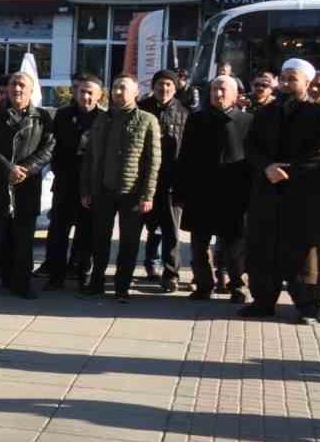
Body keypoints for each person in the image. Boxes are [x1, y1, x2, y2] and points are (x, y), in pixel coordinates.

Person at [240, 58, 320, 323]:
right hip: (266, 192)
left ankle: (307, 307)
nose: (288, 84)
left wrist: (289, 171)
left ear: (307, 83)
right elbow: (251, 146)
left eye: (294, 79)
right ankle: (263, 301)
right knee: (262, 248)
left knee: (303, 254)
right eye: (285, 78)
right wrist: (267, 167)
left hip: (303, 195)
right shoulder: (266, 113)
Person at [80, 76, 161, 302]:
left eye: (122, 88)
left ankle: (122, 286)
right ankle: (96, 282)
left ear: (135, 92)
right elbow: (90, 157)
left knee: (129, 242)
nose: (117, 92)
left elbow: (153, 162)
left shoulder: (147, 120)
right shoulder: (101, 119)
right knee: (99, 239)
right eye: (115, 87)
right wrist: (86, 189)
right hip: (103, 189)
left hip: (132, 193)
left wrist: (148, 195)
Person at [176, 75, 252, 303]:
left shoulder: (247, 121)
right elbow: (185, 156)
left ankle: (238, 285)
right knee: (199, 243)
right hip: (201, 191)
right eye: (214, 90)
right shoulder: (197, 119)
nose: (218, 94)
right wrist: (180, 190)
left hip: (234, 193)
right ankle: (203, 284)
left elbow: (252, 160)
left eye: (223, 90)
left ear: (235, 94)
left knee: (235, 244)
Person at [0, 70, 54, 299]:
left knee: (24, 239)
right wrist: (8, 168)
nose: (17, 89)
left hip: (27, 186)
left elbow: (49, 148)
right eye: (13, 84)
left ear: (31, 91)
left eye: (22, 85)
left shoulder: (42, 118)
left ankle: (21, 283)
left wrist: (26, 169)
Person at [41, 74, 103, 290]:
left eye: (90, 93)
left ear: (99, 96)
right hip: (65, 182)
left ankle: (82, 273)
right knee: (58, 231)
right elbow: (53, 146)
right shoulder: (63, 115)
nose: (85, 96)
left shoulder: (104, 119)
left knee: (87, 233)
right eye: (81, 91)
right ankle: (56, 276)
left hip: (90, 185)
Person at [136, 70, 189, 292]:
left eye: (168, 84)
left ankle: (171, 273)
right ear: (153, 85)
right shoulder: (142, 108)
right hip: (145, 178)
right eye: (160, 84)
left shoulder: (185, 112)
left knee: (170, 230)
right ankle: (150, 264)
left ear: (175, 88)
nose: (164, 88)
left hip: (172, 180)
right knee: (149, 225)